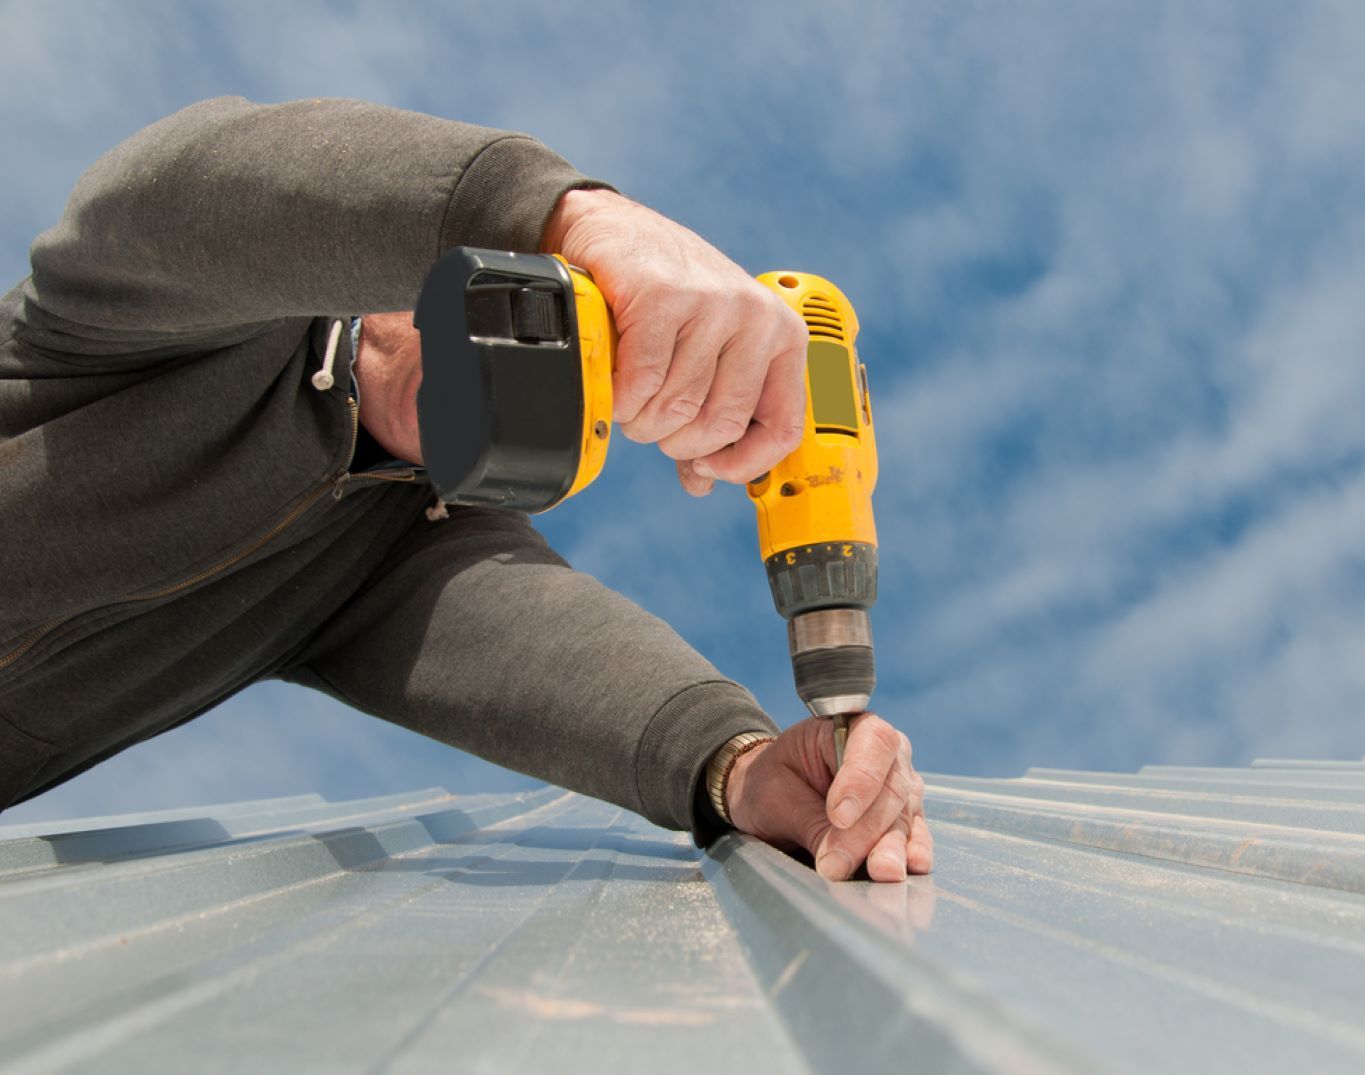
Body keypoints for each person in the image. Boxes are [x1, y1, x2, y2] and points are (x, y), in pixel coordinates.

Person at [0, 97, 931, 883]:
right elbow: (179, 193)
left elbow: (567, 658)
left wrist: (742, 767)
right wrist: (566, 217)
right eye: (541, 292)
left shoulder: (384, 559)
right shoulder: (164, 319)